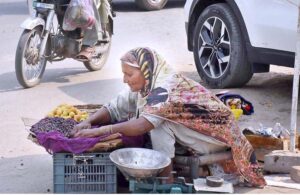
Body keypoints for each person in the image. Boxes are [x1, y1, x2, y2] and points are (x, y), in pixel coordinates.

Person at [71, 47, 266, 187]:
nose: (125, 79)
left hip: (218, 138)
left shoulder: (164, 88)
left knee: (158, 124)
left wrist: (102, 130)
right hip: (196, 134)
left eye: (129, 74)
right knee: (153, 121)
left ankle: (166, 180)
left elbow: (142, 125)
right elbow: (114, 107)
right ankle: (168, 172)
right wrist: (88, 121)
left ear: (145, 70)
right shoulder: (146, 85)